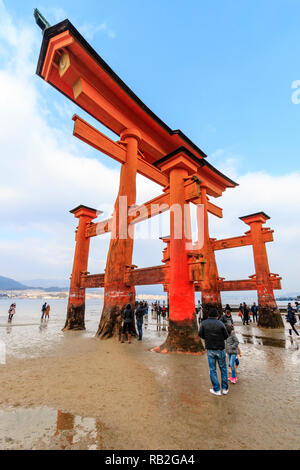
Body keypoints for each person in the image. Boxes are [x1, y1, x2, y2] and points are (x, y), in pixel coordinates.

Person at [199, 308, 229, 396]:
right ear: (217, 316)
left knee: (212, 369)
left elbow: (200, 334)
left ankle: (216, 390)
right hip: (220, 349)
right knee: (223, 369)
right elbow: (226, 336)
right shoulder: (221, 323)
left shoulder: (204, 323)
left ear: (208, 315)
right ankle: (225, 389)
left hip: (210, 349)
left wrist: (208, 339)